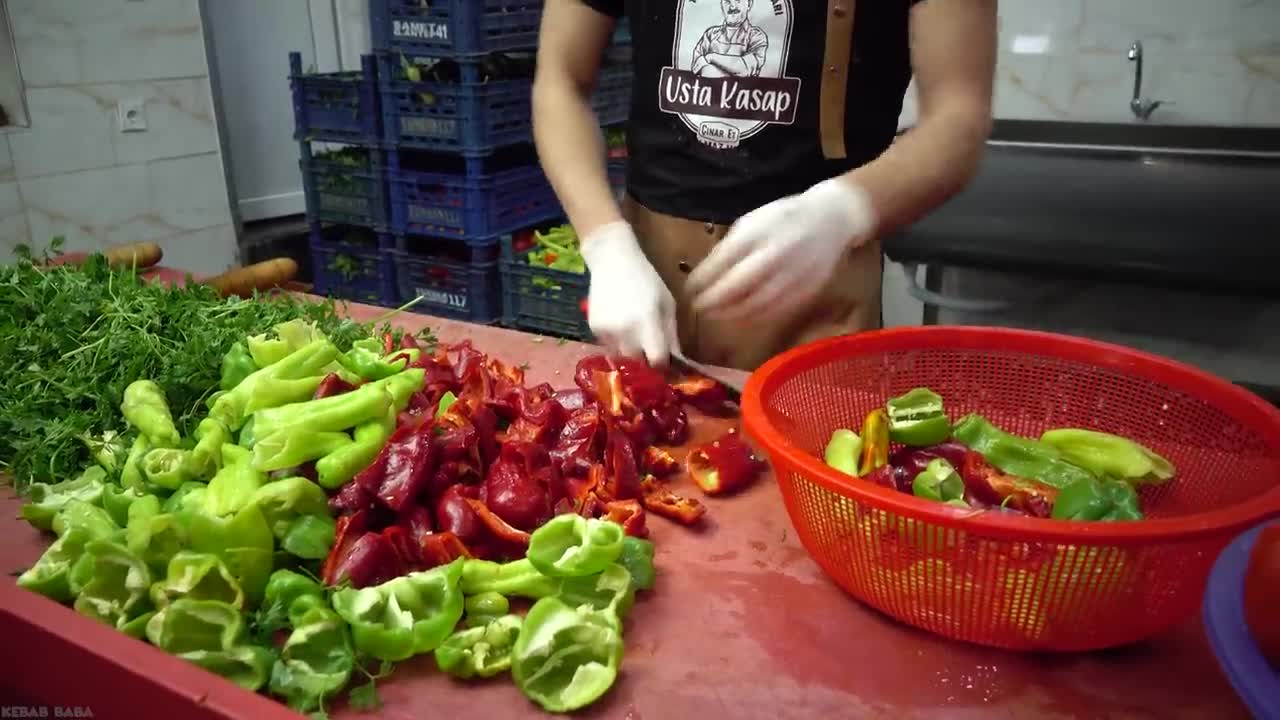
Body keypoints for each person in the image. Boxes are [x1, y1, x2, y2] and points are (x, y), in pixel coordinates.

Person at [532, 0, 997, 371]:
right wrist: (605, 243)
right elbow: (560, 80)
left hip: (818, 297)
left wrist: (844, 210)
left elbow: (957, 122)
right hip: (650, 284)